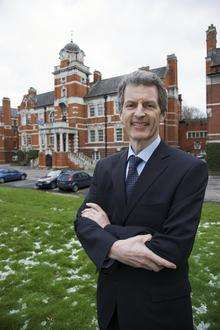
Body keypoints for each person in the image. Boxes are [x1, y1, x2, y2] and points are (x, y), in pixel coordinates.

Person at [74, 70, 208, 330]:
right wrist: (117, 248)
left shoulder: (188, 169)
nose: (139, 113)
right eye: (131, 105)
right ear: (120, 113)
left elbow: (173, 247)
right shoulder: (105, 167)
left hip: (159, 312)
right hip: (111, 307)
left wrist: (107, 231)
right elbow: (82, 222)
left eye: (149, 105)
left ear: (163, 113)